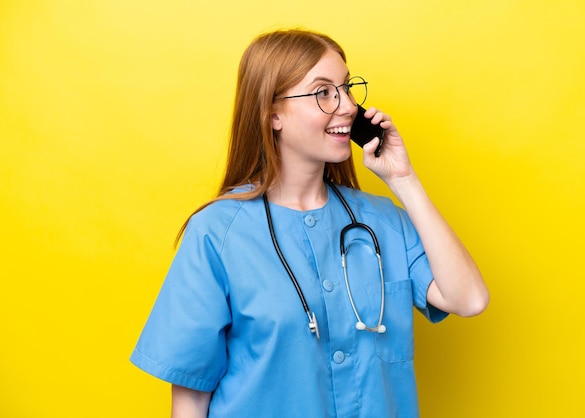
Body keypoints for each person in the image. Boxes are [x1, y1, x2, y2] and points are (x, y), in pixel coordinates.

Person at [130, 28, 489, 418]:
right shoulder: (217, 233)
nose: (348, 106)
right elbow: (190, 398)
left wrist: (403, 180)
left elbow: (468, 299)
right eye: (323, 92)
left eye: (347, 88)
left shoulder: (382, 221)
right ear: (273, 114)